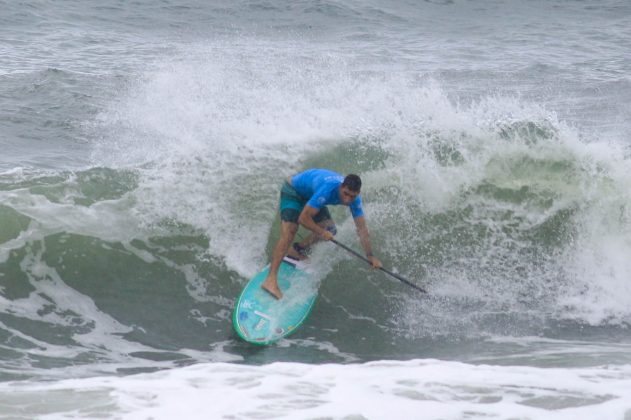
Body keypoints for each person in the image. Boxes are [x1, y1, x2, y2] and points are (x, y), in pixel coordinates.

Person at [261, 168, 383, 299]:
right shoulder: (327, 189)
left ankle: (297, 250)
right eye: (345, 194)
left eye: (352, 196)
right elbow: (303, 218)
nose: (347, 200)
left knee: (330, 229)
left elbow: (362, 229)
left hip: (311, 196)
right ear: (341, 187)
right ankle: (270, 280)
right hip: (293, 191)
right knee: (290, 231)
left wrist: (370, 256)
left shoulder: (355, 200)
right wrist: (321, 232)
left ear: (358, 193)